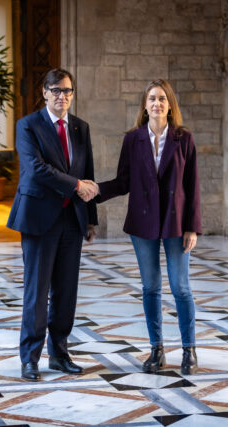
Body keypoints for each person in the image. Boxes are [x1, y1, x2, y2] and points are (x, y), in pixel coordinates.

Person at [94, 79, 201, 375]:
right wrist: (96, 191)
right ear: (144, 105)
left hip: (176, 222)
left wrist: (192, 227)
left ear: (170, 105)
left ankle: (189, 351)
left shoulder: (184, 138)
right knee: (151, 287)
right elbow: (123, 181)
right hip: (143, 222)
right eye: (152, 98)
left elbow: (192, 185)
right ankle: (157, 350)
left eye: (162, 98)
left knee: (181, 288)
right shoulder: (133, 139)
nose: (157, 103)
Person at [7, 68, 98, 381]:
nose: (62, 96)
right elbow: (35, 169)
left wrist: (90, 219)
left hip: (72, 219)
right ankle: (30, 358)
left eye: (67, 91)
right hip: (39, 219)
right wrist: (76, 185)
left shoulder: (81, 128)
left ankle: (59, 354)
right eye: (56, 90)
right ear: (44, 92)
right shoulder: (28, 125)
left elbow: (88, 172)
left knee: (66, 292)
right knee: (37, 291)